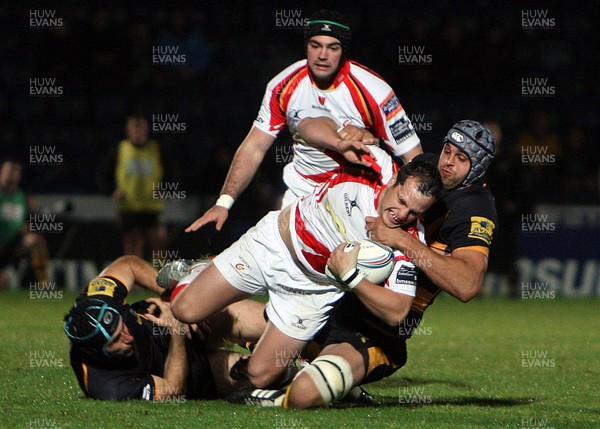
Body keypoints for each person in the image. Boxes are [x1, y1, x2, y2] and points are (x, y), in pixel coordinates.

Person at [231, 119, 497, 409]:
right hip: (332, 303)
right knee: (223, 318)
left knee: (303, 395)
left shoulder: (475, 208)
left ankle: (285, 386)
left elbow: (467, 284)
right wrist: (359, 136)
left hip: (377, 331)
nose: (448, 163)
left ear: (479, 167)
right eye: (448, 151)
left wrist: (402, 241)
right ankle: (295, 371)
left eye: (461, 159)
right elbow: (373, 167)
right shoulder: (426, 168)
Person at [171, 132, 442, 393]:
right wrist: (338, 138)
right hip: (272, 245)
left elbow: (398, 312)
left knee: (260, 375)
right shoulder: (374, 163)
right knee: (184, 310)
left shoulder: (408, 239)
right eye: (402, 200)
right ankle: (202, 268)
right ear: (394, 178)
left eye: (413, 212)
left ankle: (297, 369)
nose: (401, 214)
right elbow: (308, 125)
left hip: (312, 292)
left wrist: (352, 278)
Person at [186, 9, 422, 233]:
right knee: (275, 269)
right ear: (306, 47)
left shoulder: (375, 91)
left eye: (333, 47)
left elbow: (413, 157)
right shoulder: (282, 86)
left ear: (343, 51)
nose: (322, 55)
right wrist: (224, 203)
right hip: (302, 193)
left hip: (358, 196)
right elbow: (254, 146)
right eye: (315, 45)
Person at [63, 255, 267, 401]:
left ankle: (283, 339)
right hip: (182, 369)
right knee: (265, 372)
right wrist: (176, 330)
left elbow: (130, 265)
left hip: (167, 319)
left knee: (268, 324)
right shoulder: (106, 386)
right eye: (117, 340)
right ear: (97, 353)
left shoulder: (100, 301)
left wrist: (172, 297)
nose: (128, 337)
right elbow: (173, 389)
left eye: (122, 326)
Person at [98, 113, 179, 261]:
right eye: (134, 127)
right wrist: (111, 191)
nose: (137, 131)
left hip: (152, 207)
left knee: (159, 242)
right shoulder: (120, 149)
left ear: (146, 129)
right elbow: (104, 174)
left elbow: (172, 172)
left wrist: (165, 189)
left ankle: (161, 279)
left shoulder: (157, 149)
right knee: (133, 246)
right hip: (129, 207)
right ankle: (134, 281)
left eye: (140, 127)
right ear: (128, 129)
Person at [0, 159, 49, 289]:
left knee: (35, 240)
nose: (13, 174)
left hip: (12, 245)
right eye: (10, 170)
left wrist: (26, 225)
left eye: (17, 171)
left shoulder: (22, 197)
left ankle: (43, 283)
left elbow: (24, 220)